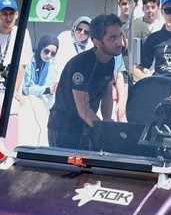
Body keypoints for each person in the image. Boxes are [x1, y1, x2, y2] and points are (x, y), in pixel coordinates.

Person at [46, 13, 123, 149]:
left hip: (86, 125)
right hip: (64, 128)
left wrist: (106, 119)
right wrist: (104, 130)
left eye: (119, 36)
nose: (119, 42)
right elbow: (82, 109)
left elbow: (107, 94)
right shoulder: (81, 65)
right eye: (112, 38)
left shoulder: (111, 59)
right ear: (97, 41)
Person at [22, 34, 59, 100]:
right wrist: (47, 90)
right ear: (40, 47)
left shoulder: (51, 65)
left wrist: (46, 90)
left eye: (53, 53)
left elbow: (52, 86)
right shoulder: (28, 62)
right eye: (46, 51)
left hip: (41, 102)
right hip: (26, 101)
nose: (48, 56)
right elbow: (26, 89)